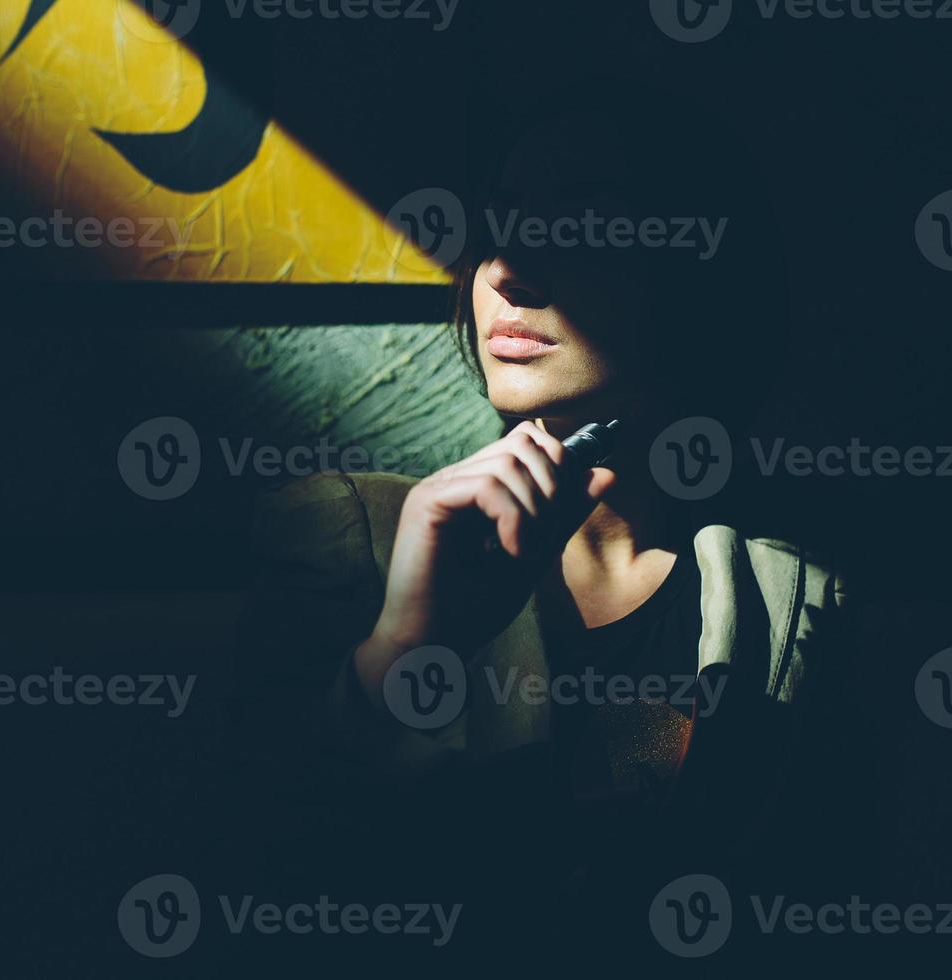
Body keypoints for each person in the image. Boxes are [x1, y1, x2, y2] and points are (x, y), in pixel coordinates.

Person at [241, 85, 861, 964]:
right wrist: (408, 646)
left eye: (583, 218)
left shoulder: (789, 596)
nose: (503, 269)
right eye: (501, 220)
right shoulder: (346, 540)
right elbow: (269, 874)